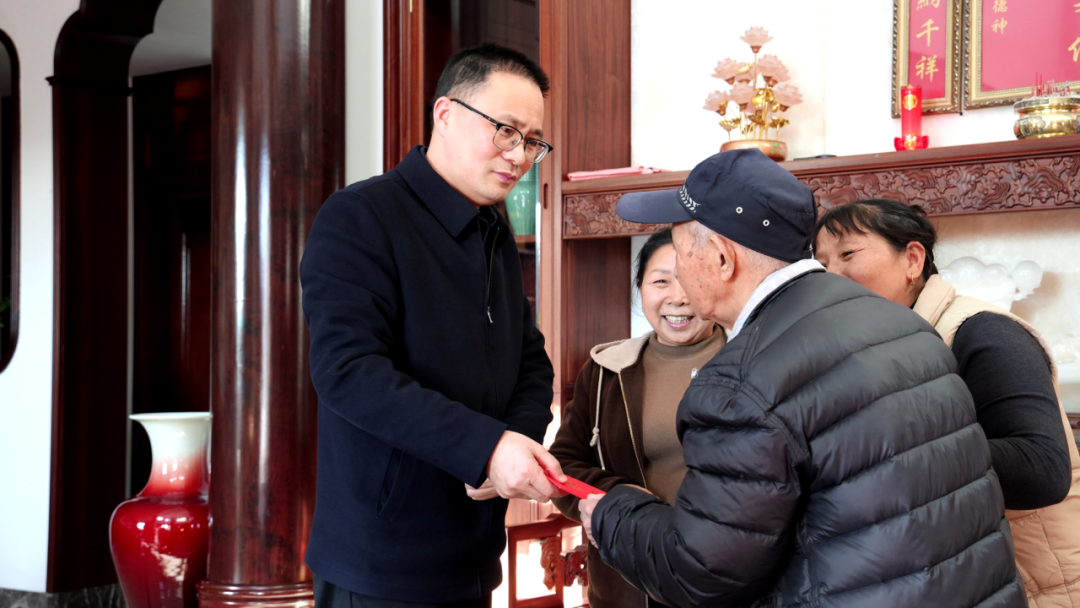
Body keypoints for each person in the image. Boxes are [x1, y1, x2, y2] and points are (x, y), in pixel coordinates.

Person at [577, 148, 1025, 608]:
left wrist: (613, 514)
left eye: (680, 252)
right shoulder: (903, 323)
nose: (679, 273)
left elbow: (705, 572)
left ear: (722, 258)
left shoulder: (741, 382)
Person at [300, 44, 566, 608]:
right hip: (380, 561)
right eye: (506, 131)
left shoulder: (492, 230)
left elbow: (529, 361)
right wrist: (486, 448)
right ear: (445, 114)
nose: (519, 155)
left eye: (532, 141)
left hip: (473, 551)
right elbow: (348, 372)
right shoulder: (361, 216)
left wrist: (513, 443)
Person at [813, 198, 1080, 607]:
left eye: (848, 254)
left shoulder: (980, 330)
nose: (831, 275)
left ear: (913, 259)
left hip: (1037, 585)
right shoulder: (886, 342)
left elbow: (1041, 470)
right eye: (821, 264)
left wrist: (890, 453)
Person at [549, 227, 726, 607]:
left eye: (693, 279)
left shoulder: (753, 360)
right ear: (640, 287)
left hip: (726, 579)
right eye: (661, 281)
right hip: (628, 582)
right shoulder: (606, 369)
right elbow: (563, 465)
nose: (678, 297)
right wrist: (620, 500)